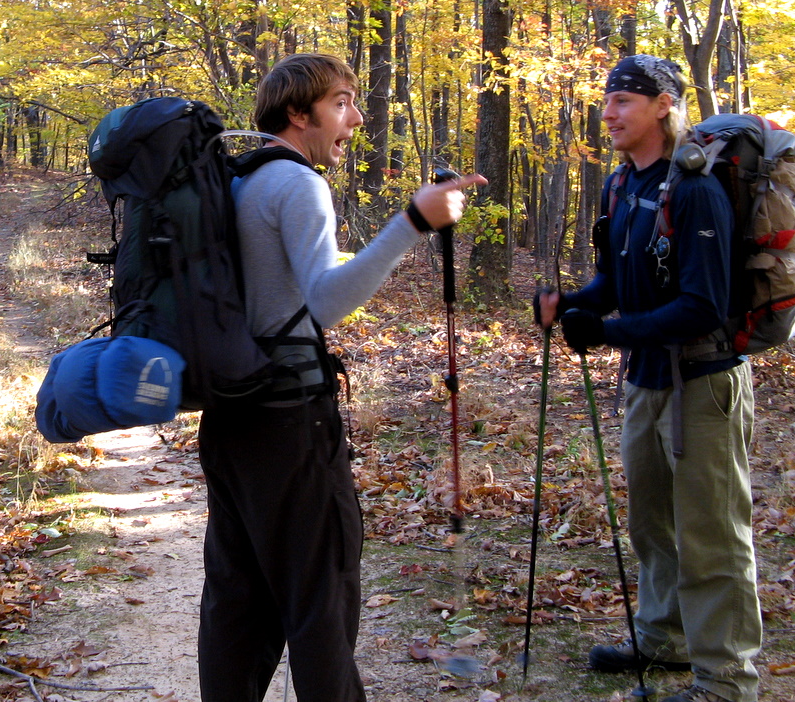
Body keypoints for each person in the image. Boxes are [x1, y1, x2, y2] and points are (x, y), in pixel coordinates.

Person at [196, 53, 484, 702]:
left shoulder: (237, 180)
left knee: (238, 602)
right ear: (300, 114)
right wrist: (413, 223)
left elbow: (278, 288)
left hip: (231, 417)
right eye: (342, 103)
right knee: (319, 600)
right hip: (290, 424)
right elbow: (322, 302)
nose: (356, 118)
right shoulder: (296, 184)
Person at [535, 55, 760, 702]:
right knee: (652, 524)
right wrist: (573, 305)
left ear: (663, 105)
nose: (608, 113)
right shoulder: (620, 187)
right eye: (607, 101)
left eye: (624, 101)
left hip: (704, 387)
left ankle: (725, 680)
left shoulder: (694, 190)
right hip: (647, 380)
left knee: (712, 535)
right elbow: (616, 283)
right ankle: (666, 640)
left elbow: (702, 306)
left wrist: (607, 333)